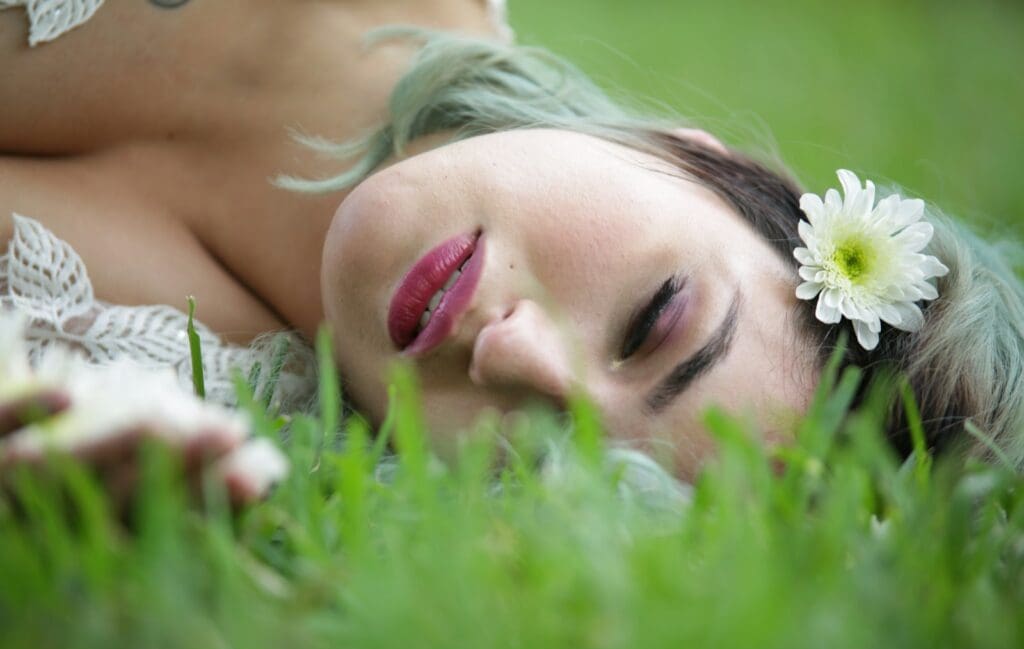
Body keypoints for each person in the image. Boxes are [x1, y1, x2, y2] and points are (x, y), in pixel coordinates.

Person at [1, 0, 1022, 488]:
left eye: (539, 461)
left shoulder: (138, 412)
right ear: (701, 160)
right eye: (654, 318)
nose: (512, 357)